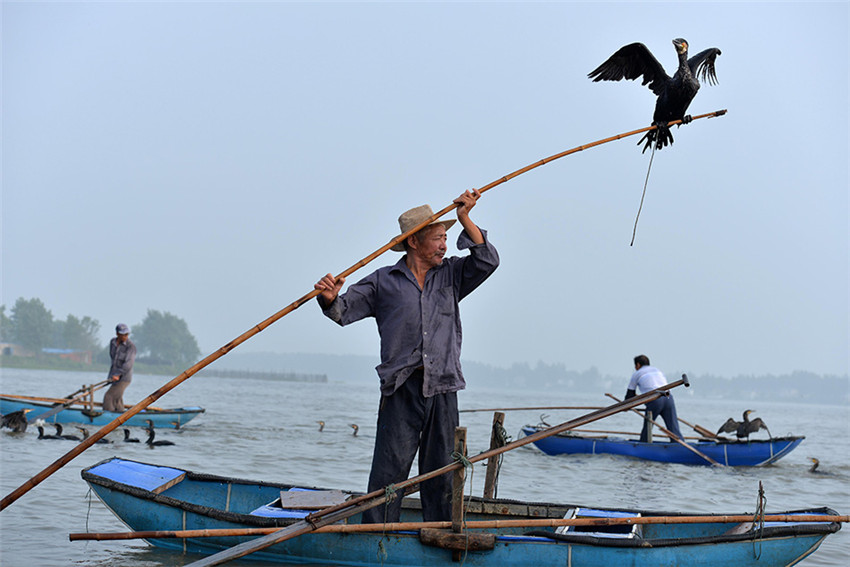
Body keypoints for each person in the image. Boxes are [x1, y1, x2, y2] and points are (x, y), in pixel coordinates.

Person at [314, 189, 499, 523]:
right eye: (438, 238)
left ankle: (439, 531)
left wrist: (464, 218)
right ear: (414, 242)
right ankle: (376, 536)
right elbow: (342, 310)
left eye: (446, 237)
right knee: (389, 472)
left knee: (441, 470)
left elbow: (488, 260)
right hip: (401, 387)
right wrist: (328, 297)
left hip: (442, 385)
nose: (445, 244)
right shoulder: (384, 281)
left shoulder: (452, 275)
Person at [624, 354, 683, 442]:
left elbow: (629, 395)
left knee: (647, 428)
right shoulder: (657, 370)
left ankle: (644, 445)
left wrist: (626, 407)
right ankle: (679, 444)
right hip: (668, 398)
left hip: (654, 399)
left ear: (638, 365)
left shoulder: (637, 374)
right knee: (673, 428)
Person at [102, 323, 136, 412]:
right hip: (114, 376)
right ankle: (121, 414)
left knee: (109, 396)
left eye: (127, 334)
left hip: (124, 378)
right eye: (123, 334)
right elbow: (113, 359)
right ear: (117, 334)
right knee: (117, 399)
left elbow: (128, 364)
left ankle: (108, 418)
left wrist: (118, 374)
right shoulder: (113, 342)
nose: (125, 336)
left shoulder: (130, 346)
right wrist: (113, 375)